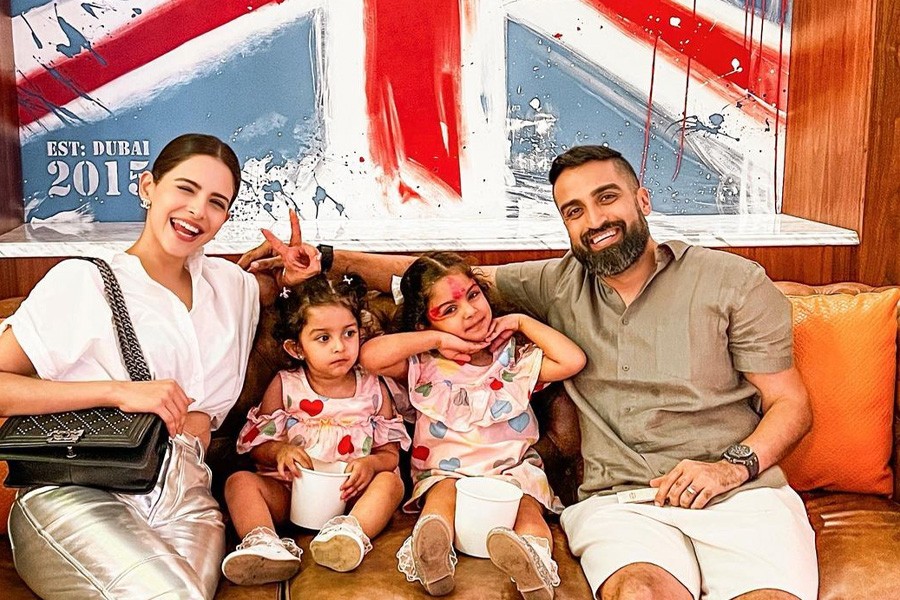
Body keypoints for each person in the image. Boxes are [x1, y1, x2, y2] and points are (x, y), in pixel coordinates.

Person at [242, 145, 818, 600]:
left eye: (607, 198)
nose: (594, 221)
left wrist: (729, 469)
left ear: (642, 200)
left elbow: (791, 404)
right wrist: (328, 259)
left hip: (741, 494)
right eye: (574, 211)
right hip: (620, 501)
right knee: (639, 592)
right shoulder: (558, 281)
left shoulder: (732, 281)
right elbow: (433, 278)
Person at [0, 133, 302, 600]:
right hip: (81, 488)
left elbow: (288, 288)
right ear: (147, 188)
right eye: (185, 188)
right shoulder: (83, 282)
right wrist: (118, 392)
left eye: (216, 202)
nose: (198, 210)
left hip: (189, 498)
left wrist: (302, 272)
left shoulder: (235, 289)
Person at [359, 251, 585, 599]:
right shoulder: (423, 366)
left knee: (527, 501)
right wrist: (437, 341)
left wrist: (521, 322)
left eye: (473, 295)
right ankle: (433, 552)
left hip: (511, 475)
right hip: (448, 475)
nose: (469, 311)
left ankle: (533, 561)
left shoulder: (514, 362)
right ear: (425, 323)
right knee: (443, 490)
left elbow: (573, 360)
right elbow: (370, 357)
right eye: (448, 310)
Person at [221, 273, 410, 585]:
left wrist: (371, 463)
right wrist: (279, 451)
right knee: (238, 482)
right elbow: (256, 444)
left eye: (349, 334)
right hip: (290, 491)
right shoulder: (286, 384)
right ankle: (263, 543)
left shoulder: (372, 386)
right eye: (323, 338)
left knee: (392, 484)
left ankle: (349, 536)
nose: (340, 347)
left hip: (351, 497)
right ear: (297, 348)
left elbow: (389, 453)